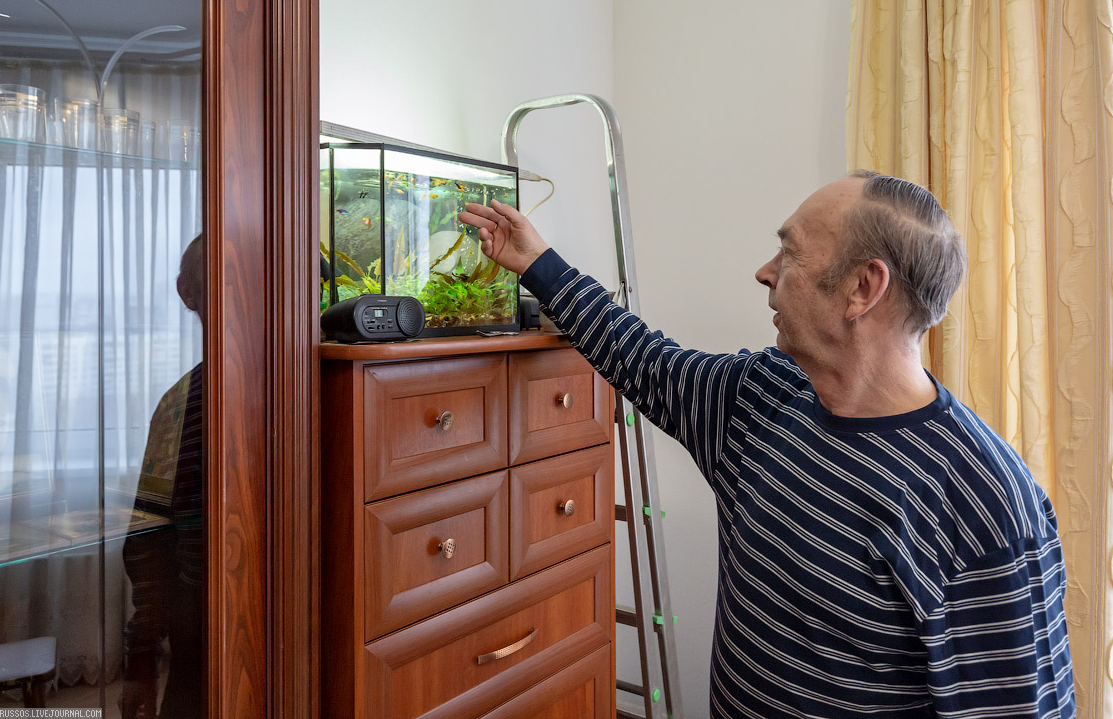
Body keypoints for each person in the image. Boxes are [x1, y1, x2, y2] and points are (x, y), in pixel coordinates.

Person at [459, 171, 1074, 718]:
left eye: (790, 253)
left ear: (863, 287)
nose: (765, 272)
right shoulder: (758, 397)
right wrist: (538, 262)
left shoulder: (987, 501)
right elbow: (643, 359)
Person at [119, 235, 205, 719]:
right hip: (200, 627)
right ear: (187, 293)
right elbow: (149, 542)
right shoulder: (179, 405)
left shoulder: (322, 380)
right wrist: (139, 663)